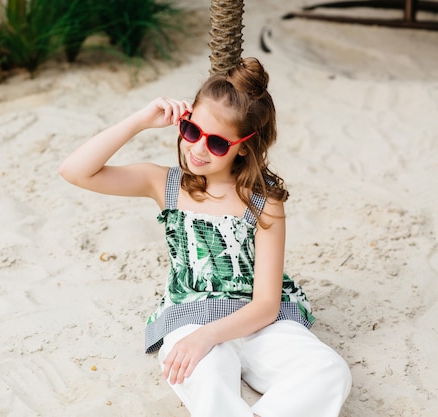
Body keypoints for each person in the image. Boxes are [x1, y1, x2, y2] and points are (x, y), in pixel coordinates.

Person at [59, 57, 351, 417]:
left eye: (216, 143)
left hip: (260, 323)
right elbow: (74, 171)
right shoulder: (164, 184)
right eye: (192, 131)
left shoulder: (264, 202)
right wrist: (139, 121)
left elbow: (266, 304)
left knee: (329, 372)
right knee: (210, 377)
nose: (197, 149)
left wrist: (210, 336)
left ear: (244, 146)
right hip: (191, 316)